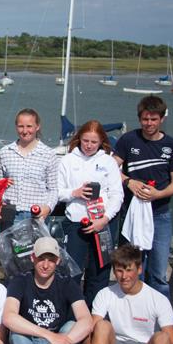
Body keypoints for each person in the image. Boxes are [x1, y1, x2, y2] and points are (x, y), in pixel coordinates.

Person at [113, 96, 173, 339]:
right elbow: (113, 167)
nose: (149, 123)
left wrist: (158, 194)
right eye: (145, 118)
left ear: (162, 119)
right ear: (139, 118)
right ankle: (131, 319)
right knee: (132, 269)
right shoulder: (128, 140)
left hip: (160, 215)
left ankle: (164, 325)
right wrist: (129, 181)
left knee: (158, 272)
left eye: (154, 119)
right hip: (131, 214)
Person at [57, 120, 123, 307]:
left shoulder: (108, 162)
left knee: (99, 272)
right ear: (79, 139)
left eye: (94, 142)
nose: (89, 145)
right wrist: (75, 193)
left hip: (102, 223)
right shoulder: (68, 160)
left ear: (101, 141)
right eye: (85, 140)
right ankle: (72, 313)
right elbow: (58, 192)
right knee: (72, 272)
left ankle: (96, 314)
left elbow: (116, 194)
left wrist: (105, 219)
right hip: (76, 223)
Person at [0, 108, 59, 226]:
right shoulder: (5, 152)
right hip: (10, 214)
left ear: (37, 127)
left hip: (36, 215)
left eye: (29, 126)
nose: (25, 131)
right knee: (9, 245)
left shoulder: (48, 154)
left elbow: (53, 189)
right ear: (16, 127)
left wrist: (48, 208)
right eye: (21, 126)